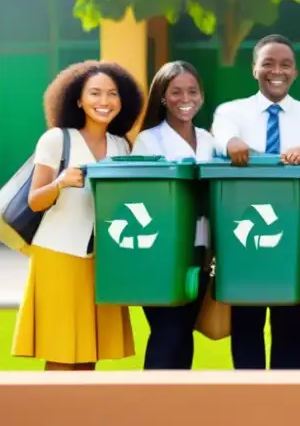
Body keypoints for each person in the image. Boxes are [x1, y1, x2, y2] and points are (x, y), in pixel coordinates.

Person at [13, 61, 144, 370]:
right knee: (60, 352)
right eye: (95, 93)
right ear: (78, 100)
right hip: (59, 255)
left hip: (101, 259)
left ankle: (81, 419)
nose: (104, 101)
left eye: (112, 94)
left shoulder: (121, 145)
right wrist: (60, 183)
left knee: (89, 354)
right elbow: (34, 201)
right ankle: (49, 417)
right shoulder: (57, 139)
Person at [210, 34, 300, 370]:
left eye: (285, 64)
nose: (277, 71)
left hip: (293, 239)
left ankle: (286, 405)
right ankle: (249, 404)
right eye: (269, 63)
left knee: (291, 326)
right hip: (243, 237)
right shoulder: (232, 111)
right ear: (254, 69)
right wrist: (231, 142)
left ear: (295, 72)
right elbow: (220, 136)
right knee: (246, 325)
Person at [131, 60, 215, 370]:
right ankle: (152, 407)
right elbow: (142, 199)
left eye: (192, 91)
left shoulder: (208, 140)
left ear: (202, 96)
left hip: (199, 252)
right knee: (167, 332)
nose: (185, 98)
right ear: (163, 98)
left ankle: (178, 406)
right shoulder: (148, 140)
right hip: (159, 253)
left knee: (184, 333)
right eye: (176, 92)